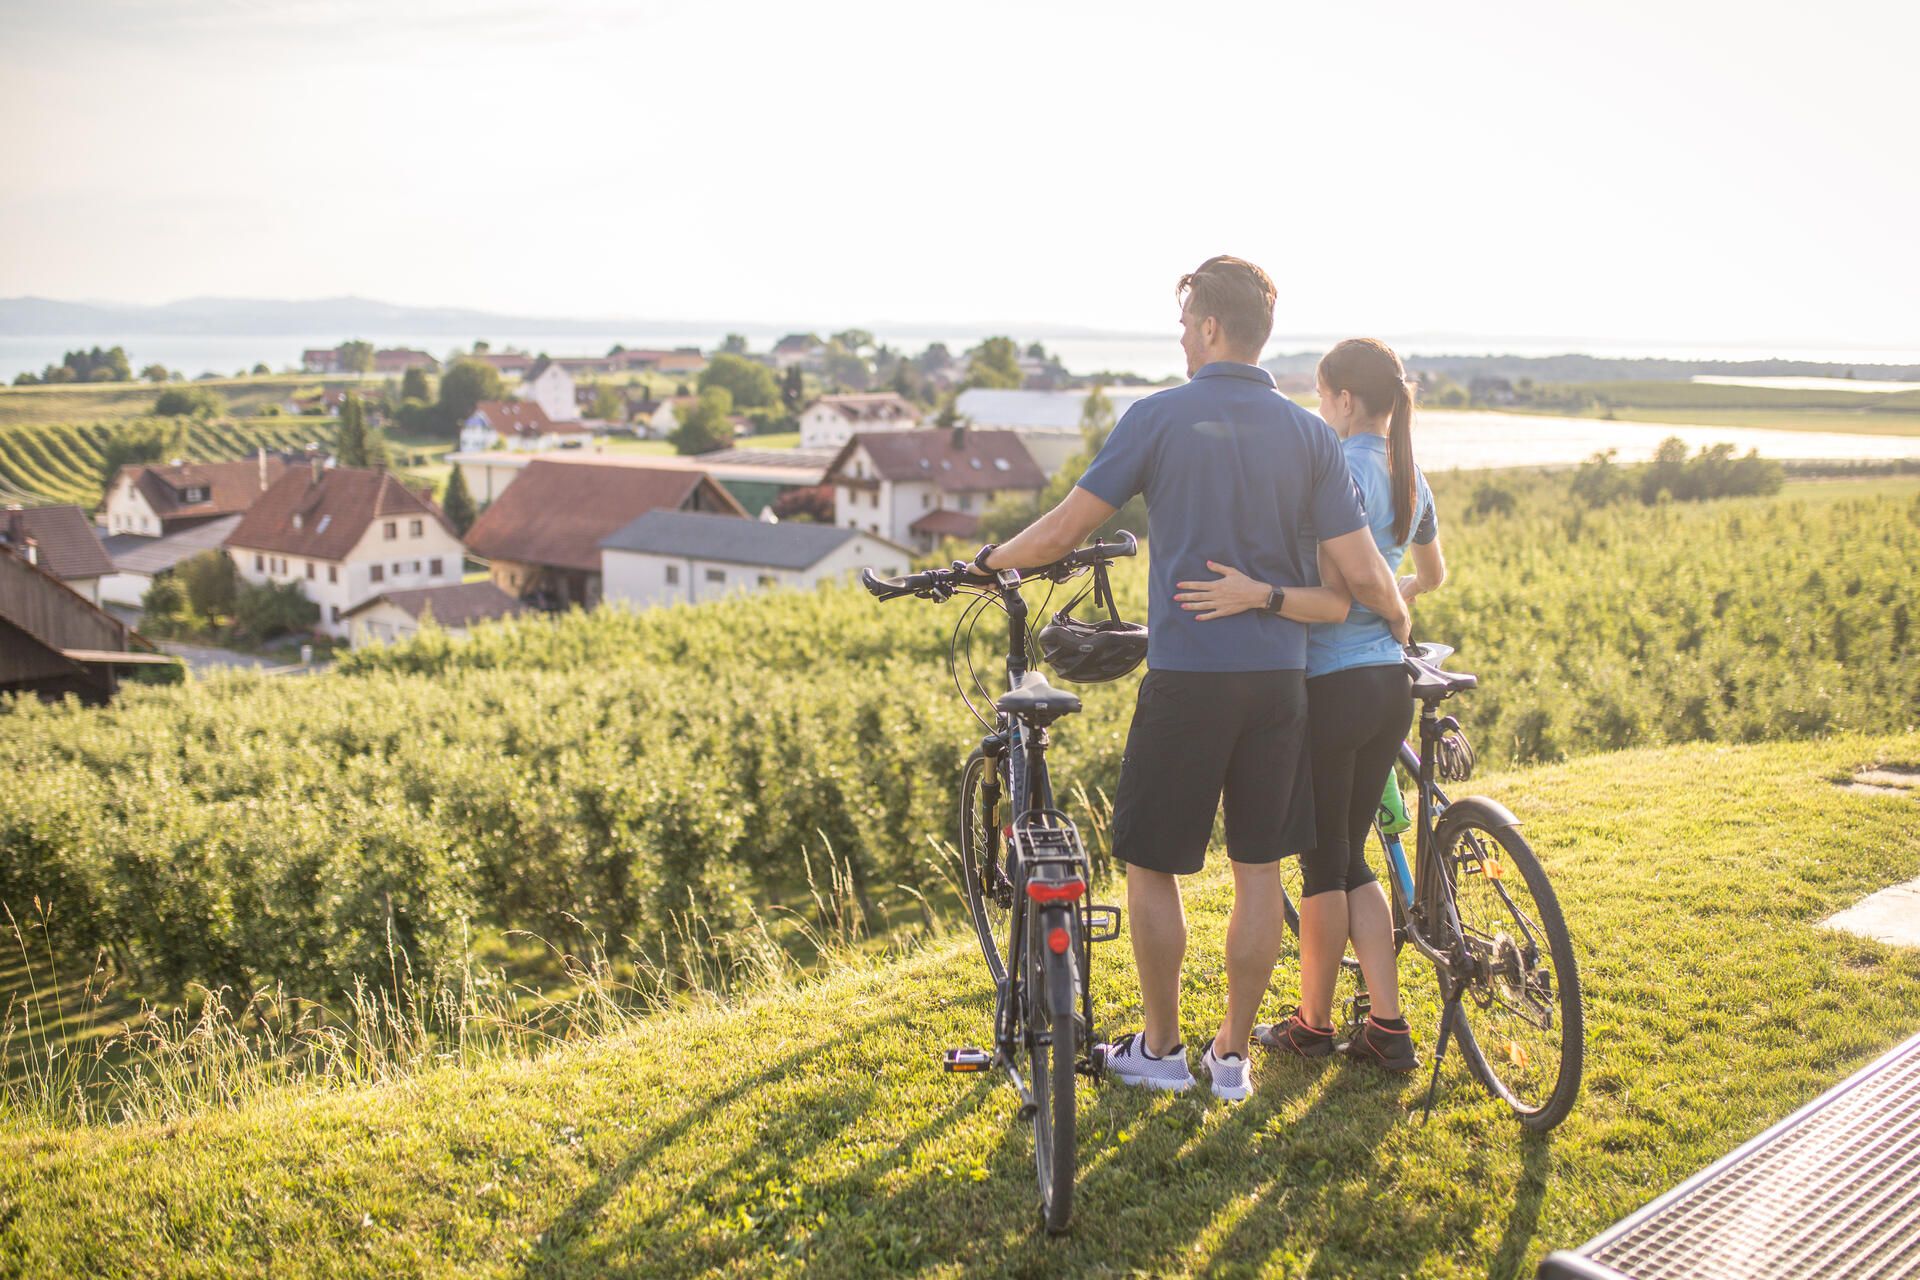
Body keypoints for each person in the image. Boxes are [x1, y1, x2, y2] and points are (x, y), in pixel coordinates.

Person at [975, 258, 1409, 1101]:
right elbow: (1360, 576)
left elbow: (1065, 528)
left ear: (1210, 327)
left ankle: (1164, 1050)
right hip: (1280, 684)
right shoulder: (1313, 435)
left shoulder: (1160, 417)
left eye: (1184, 326)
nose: (1180, 339)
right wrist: (1395, 619)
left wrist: (987, 561)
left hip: (1189, 680)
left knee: (1151, 865)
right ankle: (1233, 1057)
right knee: (1259, 871)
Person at [1177, 337, 1445, 1071]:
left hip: (1330, 685)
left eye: (1323, 397)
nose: (1319, 410)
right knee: (1346, 858)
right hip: (1387, 682)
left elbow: (1343, 584)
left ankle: (1320, 1024)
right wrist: (1395, 609)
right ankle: (1380, 1024)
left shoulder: (1333, 468)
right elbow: (1433, 573)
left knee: (1326, 865)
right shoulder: (1409, 473)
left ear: (1344, 400)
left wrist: (1281, 597)